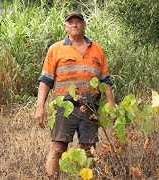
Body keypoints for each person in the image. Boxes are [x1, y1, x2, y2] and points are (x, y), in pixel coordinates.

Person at [35, 11, 115, 179]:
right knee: (57, 149)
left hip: (90, 108)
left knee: (89, 150)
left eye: (78, 21)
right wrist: (40, 107)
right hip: (65, 108)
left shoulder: (97, 49)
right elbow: (45, 80)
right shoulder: (56, 49)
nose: (74, 24)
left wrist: (111, 106)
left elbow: (105, 80)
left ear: (84, 25)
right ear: (65, 27)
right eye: (70, 22)